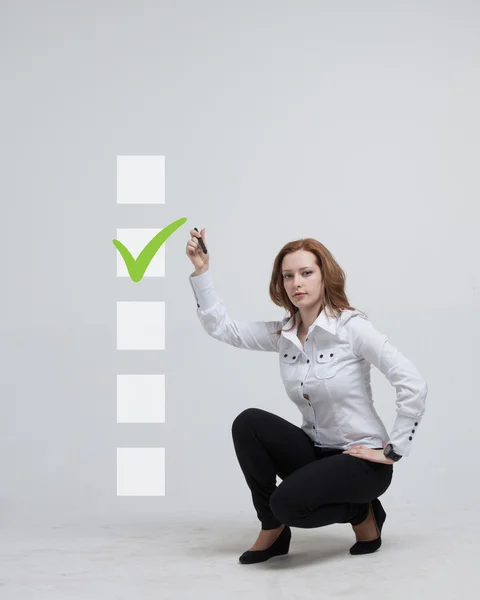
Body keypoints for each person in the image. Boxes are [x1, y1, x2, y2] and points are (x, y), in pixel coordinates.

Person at [186, 228, 428, 564]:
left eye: (306, 273)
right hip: (316, 452)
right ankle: (272, 527)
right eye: (288, 276)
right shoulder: (283, 334)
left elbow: (412, 382)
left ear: (324, 276)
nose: (296, 283)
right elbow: (223, 328)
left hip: (360, 462)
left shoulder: (352, 328)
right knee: (249, 423)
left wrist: (395, 449)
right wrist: (201, 271)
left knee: (288, 504)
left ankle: (362, 512)